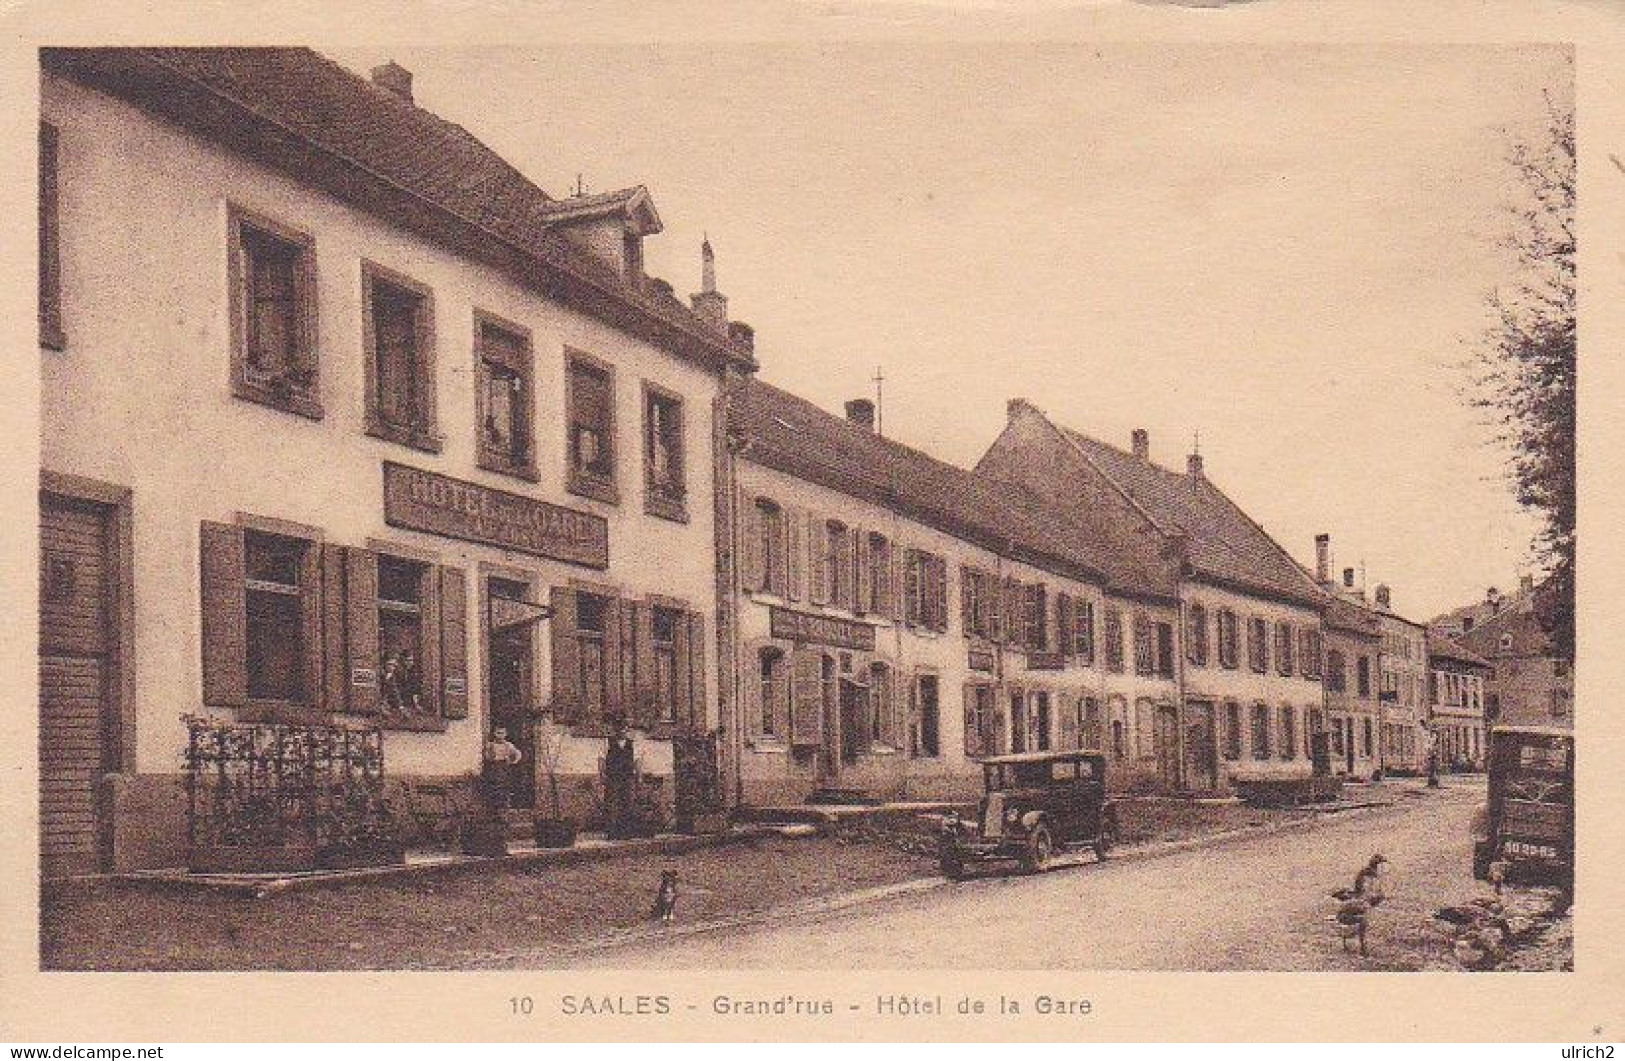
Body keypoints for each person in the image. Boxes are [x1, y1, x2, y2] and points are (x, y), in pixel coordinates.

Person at [483, 726, 524, 813]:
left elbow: (518, 753)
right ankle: (495, 808)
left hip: (505, 767)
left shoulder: (509, 745)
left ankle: (505, 806)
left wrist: (514, 761)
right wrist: (491, 757)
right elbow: (487, 756)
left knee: (505, 786)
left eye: (502, 733)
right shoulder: (491, 745)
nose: (500, 736)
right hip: (494, 767)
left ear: (505, 734)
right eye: (498, 733)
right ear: (494, 734)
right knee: (495, 786)